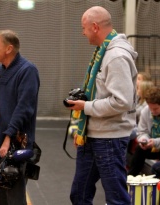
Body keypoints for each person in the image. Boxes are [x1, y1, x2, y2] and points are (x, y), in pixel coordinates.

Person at [66, 6, 138, 204]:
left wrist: (85, 107)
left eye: (84, 28)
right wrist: (84, 128)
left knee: (116, 199)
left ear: (95, 27)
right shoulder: (103, 52)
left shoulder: (116, 56)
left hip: (109, 139)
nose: (83, 33)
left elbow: (121, 101)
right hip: (92, 136)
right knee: (79, 195)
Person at [0, 30, 40, 205]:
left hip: (16, 144)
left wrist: (8, 138)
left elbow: (24, 109)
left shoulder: (28, 70)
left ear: (8, 49)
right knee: (0, 195)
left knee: (14, 198)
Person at [128, 86, 160, 176]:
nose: (152, 111)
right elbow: (141, 132)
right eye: (151, 108)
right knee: (139, 149)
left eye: (155, 109)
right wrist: (144, 140)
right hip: (152, 145)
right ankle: (131, 178)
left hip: (156, 144)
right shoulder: (146, 111)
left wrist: (155, 142)